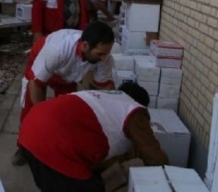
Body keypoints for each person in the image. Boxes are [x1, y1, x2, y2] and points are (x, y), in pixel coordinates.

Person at [18, 82, 170, 192]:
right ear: (141, 104)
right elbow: (153, 154)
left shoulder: (107, 98)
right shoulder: (134, 111)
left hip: (29, 130)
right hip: (51, 143)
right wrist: (170, 179)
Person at [12, 22, 116, 166]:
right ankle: (24, 147)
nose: (104, 58)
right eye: (100, 54)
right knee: (30, 109)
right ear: (85, 45)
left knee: (68, 112)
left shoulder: (104, 57)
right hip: (42, 63)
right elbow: (36, 83)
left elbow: (106, 87)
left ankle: (63, 147)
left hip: (67, 76)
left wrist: (116, 110)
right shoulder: (57, 49)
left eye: (106, 54)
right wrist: (42, 116)